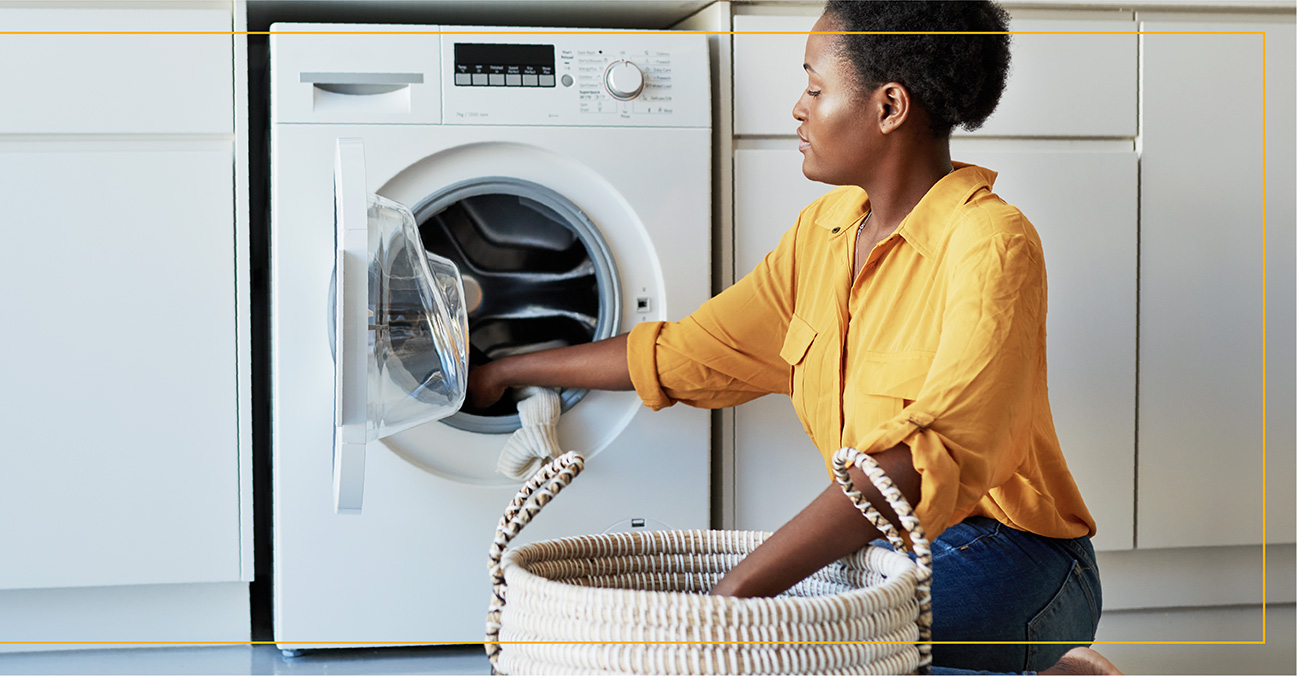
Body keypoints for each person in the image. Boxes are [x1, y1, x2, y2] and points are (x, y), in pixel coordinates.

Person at [468, 2, 1121, 673]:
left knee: (796, 647)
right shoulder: (825, 232)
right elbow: (688, 354)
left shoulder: (990, 242)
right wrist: (510, 369)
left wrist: (733, 596)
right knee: (796, 638)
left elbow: (927, 454)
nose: (797, 109)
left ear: (889, 105)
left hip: (1015, 558)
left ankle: (1059, 663)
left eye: (814, 87)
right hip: (894, 551)